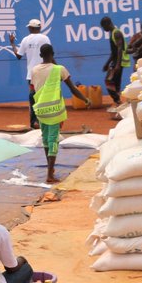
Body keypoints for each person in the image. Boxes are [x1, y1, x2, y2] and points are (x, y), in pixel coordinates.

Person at [31, 44, 90, 183]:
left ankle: (50, 169)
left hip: (40, 110)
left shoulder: (34, 70)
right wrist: (86, 99)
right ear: (53, 54)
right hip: (54, 110)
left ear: (40, 56)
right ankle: (50, 175)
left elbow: (34, 89)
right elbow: (73, 89)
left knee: (46, 139)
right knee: (54, 140)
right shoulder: (59, 69)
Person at [9, 19, 51, 130]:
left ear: (31, 28)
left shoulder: (25, 40)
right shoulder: (45, 38)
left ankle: (34, 123)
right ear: (40, 27)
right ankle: (47, 122)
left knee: (33, 98)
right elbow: (50, 54)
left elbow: (18, 56)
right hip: (46, 72)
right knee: (45, 97)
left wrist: (12, 43)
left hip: (32, 74)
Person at [99, 16, 130, 109]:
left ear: (107, 24)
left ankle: (118, 101)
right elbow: (114, 52)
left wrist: (117, 65)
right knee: (115, 83)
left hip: (118, 62)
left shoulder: (116, 33)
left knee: (109, 81)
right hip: (115, 61)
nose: (103, 29)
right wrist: (107, 64)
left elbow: (120, 49)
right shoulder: (112, 33)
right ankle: (118, 102)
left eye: (103, 27)